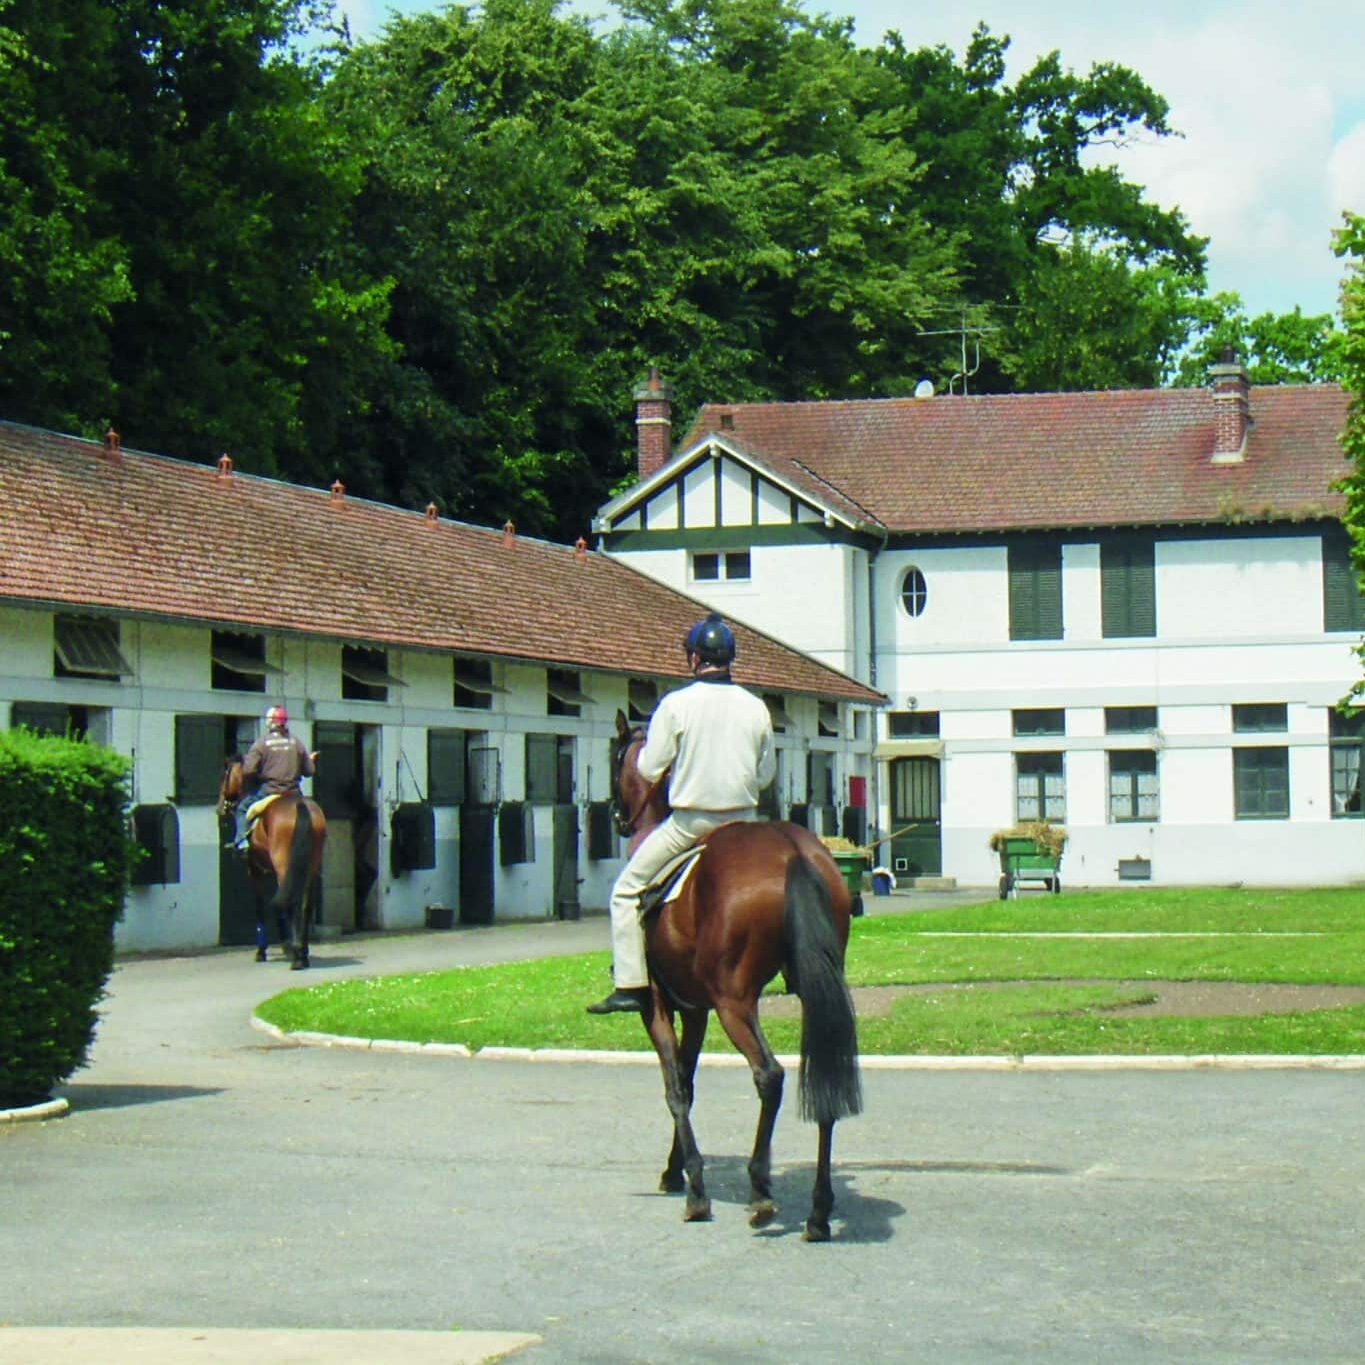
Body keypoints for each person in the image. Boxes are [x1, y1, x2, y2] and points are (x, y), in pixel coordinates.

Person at [587, 613, 776, 1015]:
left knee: (625, 892)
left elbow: (648, 768)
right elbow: (766, 774)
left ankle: (631, 984)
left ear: (694, 659)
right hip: (746, 824)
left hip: (692, 824)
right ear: (729, 660)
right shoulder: (757, 707)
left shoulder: (675, 705)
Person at [228, 705, 316, 851]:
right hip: (294, 793)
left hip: (269, 791)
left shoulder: (261, 744)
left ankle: (241, 841)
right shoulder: (297, 743)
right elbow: (309, 771)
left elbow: (248, 770)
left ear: (270, 722)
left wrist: (261, 772)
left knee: (242, 808)